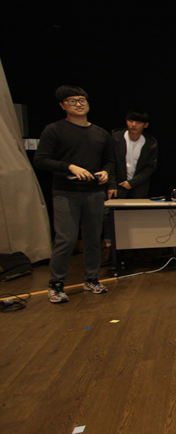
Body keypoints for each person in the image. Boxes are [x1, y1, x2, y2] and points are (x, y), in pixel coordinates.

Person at [33, 85, 114, 303]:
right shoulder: (54, 130)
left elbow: (109, 160)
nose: (78, 104)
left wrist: (106, 172)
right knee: (66, 239)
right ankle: (56, 284)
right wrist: (69, 167)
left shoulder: (100, 133)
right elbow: (41, 159)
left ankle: (91, 279)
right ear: (62, 106)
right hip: (66, 192)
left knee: (93, 239)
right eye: (72, 101)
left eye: (82, 100)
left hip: (94, 193)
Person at [107, 110, 158, 199]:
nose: (134, 125)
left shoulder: (150, 144)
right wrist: (111, 185)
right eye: (130, 121)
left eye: (138, 122)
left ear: (145, 125)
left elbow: (150, 168)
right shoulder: (116, 138)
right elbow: (110, 162)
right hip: (117, 186)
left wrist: (132, 182)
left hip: (138, 187)